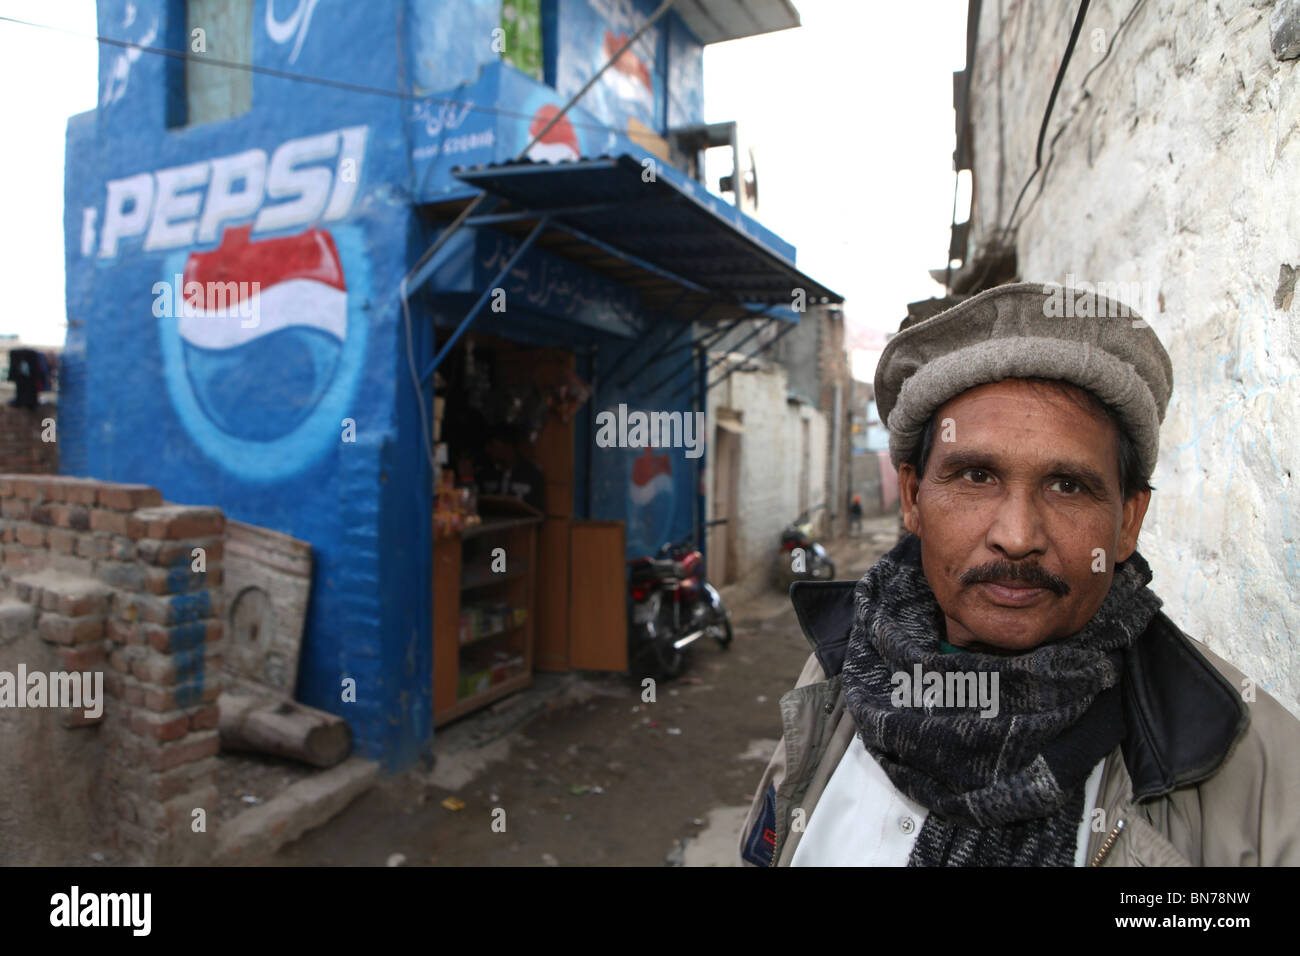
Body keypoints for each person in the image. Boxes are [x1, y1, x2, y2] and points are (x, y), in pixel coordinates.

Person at [739, 282, 1300, 867]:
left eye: (1068, 485)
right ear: (912, 495)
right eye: (977, 476)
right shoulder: (839, 671)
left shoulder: (1249, 762)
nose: (1018, 535)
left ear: (1129, 520)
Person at [475, 423, 545, 514]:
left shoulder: (531, 474)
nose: (488, 450)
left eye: (492, 445)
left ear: (508, 446)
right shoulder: (485, 473)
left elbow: (539, 512)